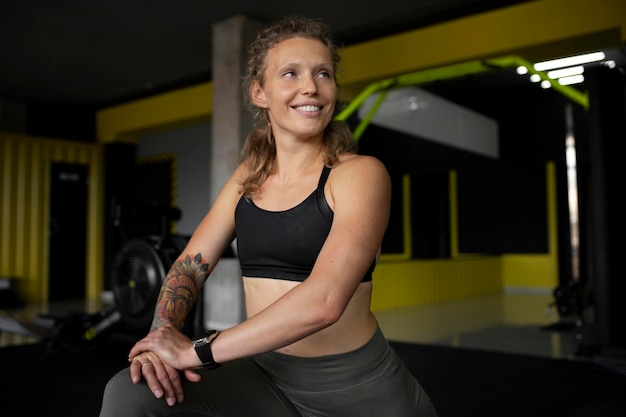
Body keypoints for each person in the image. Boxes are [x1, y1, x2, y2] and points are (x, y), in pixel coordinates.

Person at [99, 15, 438, 417]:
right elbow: (190, 266)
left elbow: (324, 302)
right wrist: (161, 336)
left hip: (355, 388)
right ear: (260, 92)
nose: (310, 86)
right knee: (129, 393)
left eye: (323, 73)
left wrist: (195, 350)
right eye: (291, 73)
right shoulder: (248, 177)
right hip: (265, 378)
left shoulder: (360, 175)